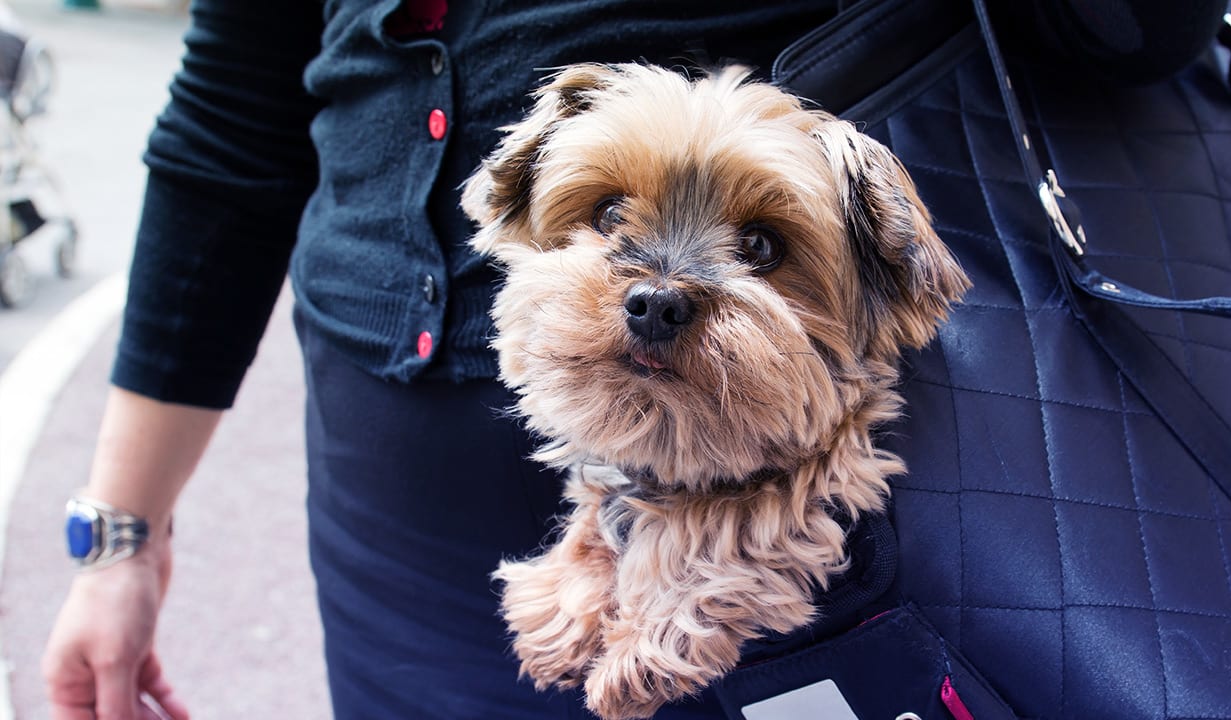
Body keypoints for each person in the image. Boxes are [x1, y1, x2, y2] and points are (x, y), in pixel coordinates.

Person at [39, 1, 834, 718]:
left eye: (758, 247)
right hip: (381, 520)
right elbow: (232, 115)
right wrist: (122, 536)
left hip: (784, 538)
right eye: (609, 213)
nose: (657, 293)